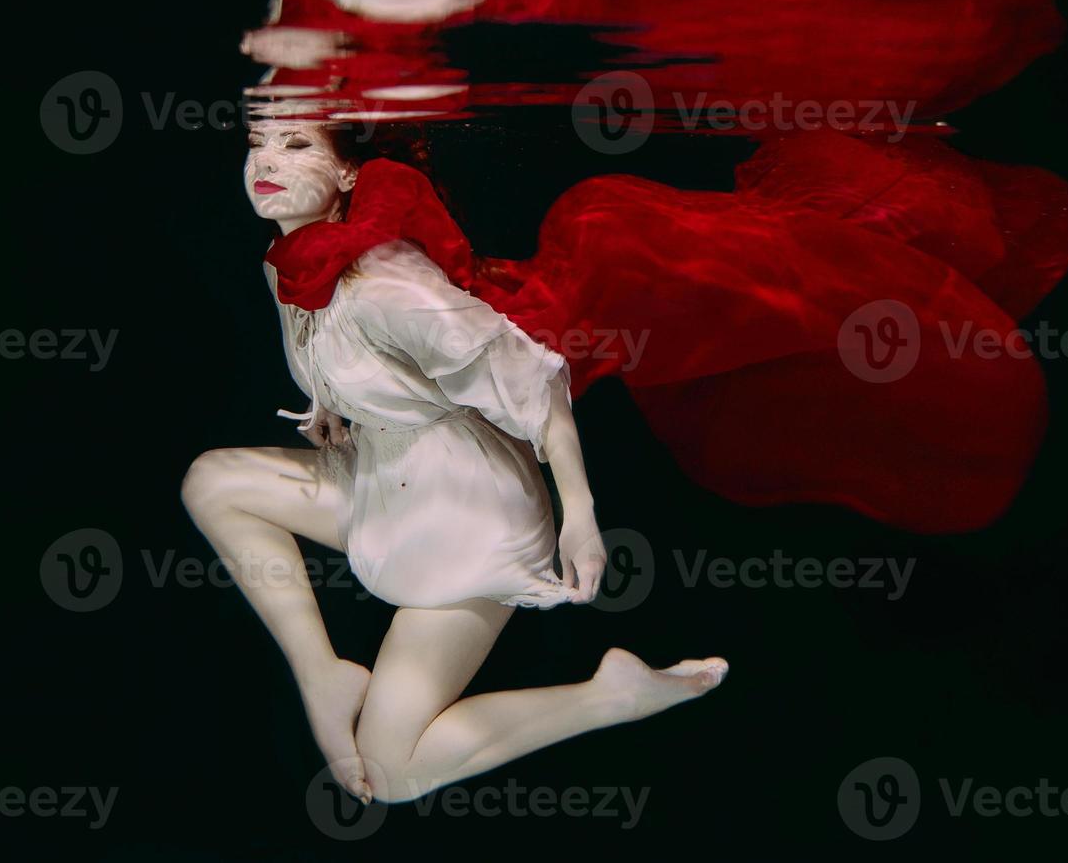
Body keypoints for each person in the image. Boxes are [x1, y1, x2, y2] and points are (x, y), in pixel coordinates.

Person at [181, 118, 729, 806]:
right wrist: (330, 400)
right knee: (214, 481)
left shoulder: (387, 286)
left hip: (470, 508)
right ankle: (321, 672)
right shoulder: (282, 264)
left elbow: (536, 383)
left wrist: (580, 515)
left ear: (350, 174)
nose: (266, 160)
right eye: (258, 142)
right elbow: (333, 353)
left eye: (297, 146)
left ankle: (611, 696)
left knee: (390, 772)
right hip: (384, 477)